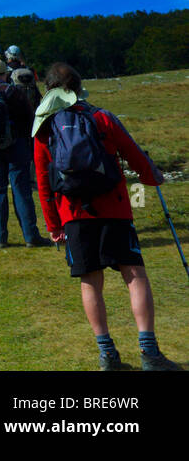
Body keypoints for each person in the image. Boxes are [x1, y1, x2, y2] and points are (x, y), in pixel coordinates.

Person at [33, 62, 180, 371]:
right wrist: (151, 176)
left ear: (49, 90)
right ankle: (150, 353)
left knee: (90, 281)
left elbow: (44, 185)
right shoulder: (102, 118)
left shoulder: (44, 131)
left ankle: (107, 355)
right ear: (79, 86)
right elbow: (135, 155)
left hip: (73, 213)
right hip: (115, 209)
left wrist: (53, 225)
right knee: (134, 275)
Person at [0, 59, 51, 248]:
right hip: (17, 148)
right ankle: (31, 236)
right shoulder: (16, 93)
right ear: (6, 74)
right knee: (21, 191)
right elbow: (31, 121)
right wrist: (26, 144)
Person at [6, 45, 41, 109]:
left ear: (8, 55)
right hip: (30, 107)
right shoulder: (29, 70)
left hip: (14, 108)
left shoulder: (6, 70)